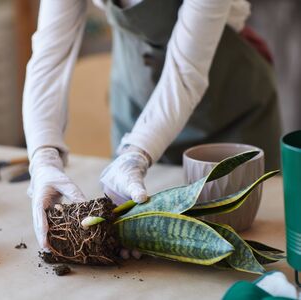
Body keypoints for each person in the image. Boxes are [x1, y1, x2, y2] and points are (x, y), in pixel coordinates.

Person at [23, 0, 281, 251]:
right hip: (136, 102)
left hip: (227, 106)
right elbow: (48, 58)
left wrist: (136, 154)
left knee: (243, 233)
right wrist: (43, 157)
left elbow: (184, 73)